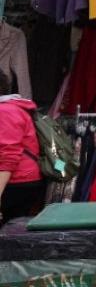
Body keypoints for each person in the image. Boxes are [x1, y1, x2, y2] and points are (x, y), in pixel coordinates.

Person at [0, 95, 45, 223]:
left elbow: (8, 156)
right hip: (17, 181)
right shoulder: (11, 108)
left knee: (10, 231)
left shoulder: (5, 111)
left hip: (16, 182)